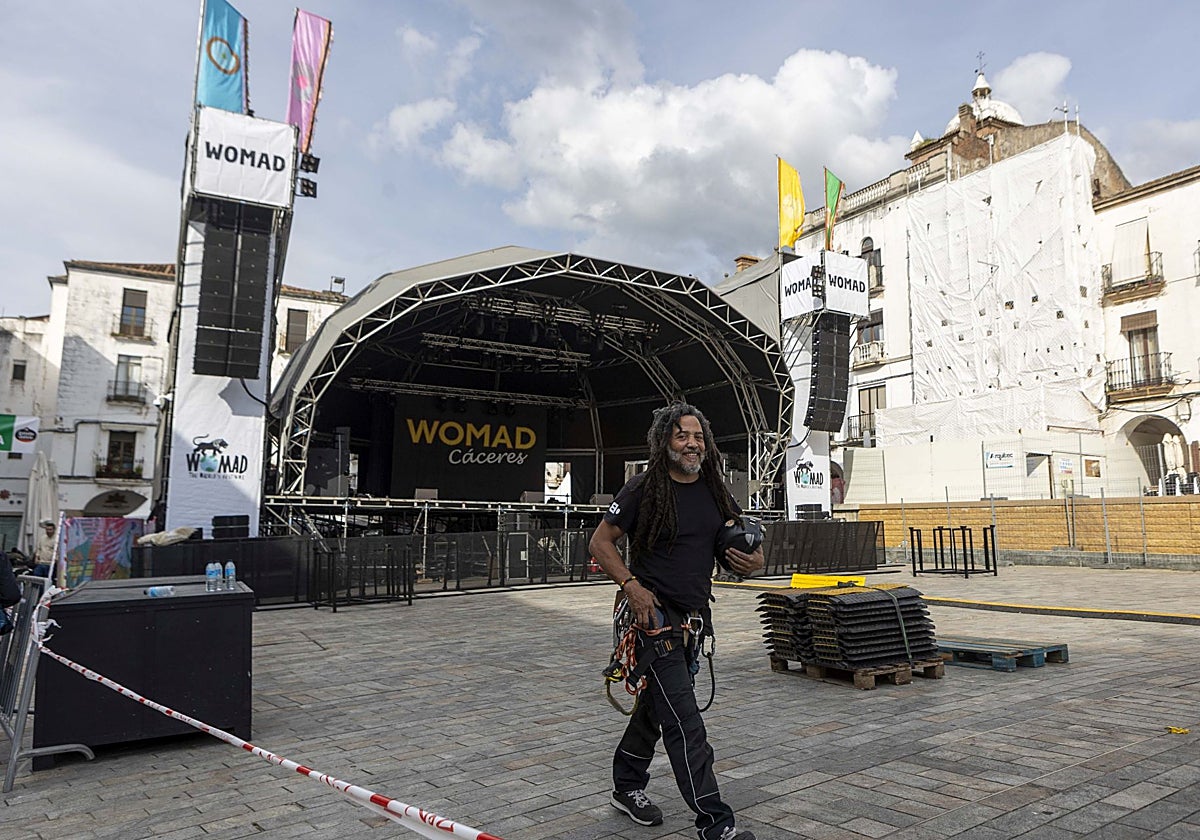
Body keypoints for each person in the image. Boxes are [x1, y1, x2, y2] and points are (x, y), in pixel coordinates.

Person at [589, 402, 763, 840]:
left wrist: (755, 561)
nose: (691, 443)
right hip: (653, 622)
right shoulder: (642, 489)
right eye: (682, 435)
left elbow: (734, 547)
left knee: (656, 709)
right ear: (665, 441)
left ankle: (626, 786)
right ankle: (715, 824)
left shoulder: (715, 490)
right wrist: (631, 584)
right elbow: (600, 542)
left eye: (698, 436)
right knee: (686, 724)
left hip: (691, 624)